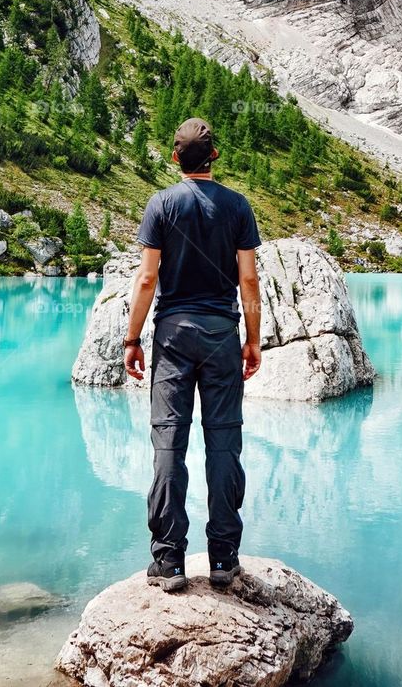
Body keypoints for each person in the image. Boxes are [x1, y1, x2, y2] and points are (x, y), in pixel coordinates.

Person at [123, 116, 262, 593]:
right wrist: (253, 339)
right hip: (223, 334)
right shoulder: (238, 207)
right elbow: (249, 281)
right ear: (214, 157)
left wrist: (131, 338)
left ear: (175, 158)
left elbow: (146, 279)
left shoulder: (160, 204)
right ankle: (223, 558)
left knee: (169, 444)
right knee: (224, 443)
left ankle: (170, 562)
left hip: (172, 335)